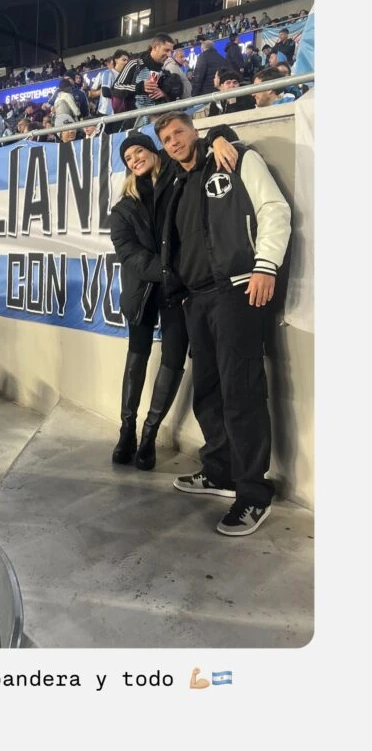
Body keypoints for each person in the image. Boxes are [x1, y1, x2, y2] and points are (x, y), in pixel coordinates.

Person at [155, 111, 291, 535]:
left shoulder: (236, 158)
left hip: (238, 290)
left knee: (242, 392)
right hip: (197, 300)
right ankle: (220, 471)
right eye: (166, 138)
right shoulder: (176, 183)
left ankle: (254, 493)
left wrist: (266, 265)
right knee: (209, 391)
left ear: (195, 132)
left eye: (179, 132)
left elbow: (274, 209)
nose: (174, 141)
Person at [110, 127, 239, 472]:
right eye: (128, 157)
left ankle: (149, 435)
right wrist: (169, 273)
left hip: (176, 293)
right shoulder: (122, 208)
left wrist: (219, 137)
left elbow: (196, 141)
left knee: (173, 360)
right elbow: (130, 254)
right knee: (136, 357)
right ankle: (127, 431)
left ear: (153, 153)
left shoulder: (175, 180)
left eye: (139, 152)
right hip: (144, 290)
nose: (135, 159)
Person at [110, 34, 176, 126]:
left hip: (157, 124)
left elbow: (173, 94)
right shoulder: (134, 64)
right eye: (166, 50)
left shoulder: (164, 72)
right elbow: (116, 88)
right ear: (155, 47)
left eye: (171, 51)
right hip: (134, 123)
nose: (169, 55)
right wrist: (140, 87)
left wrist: (164, 93)